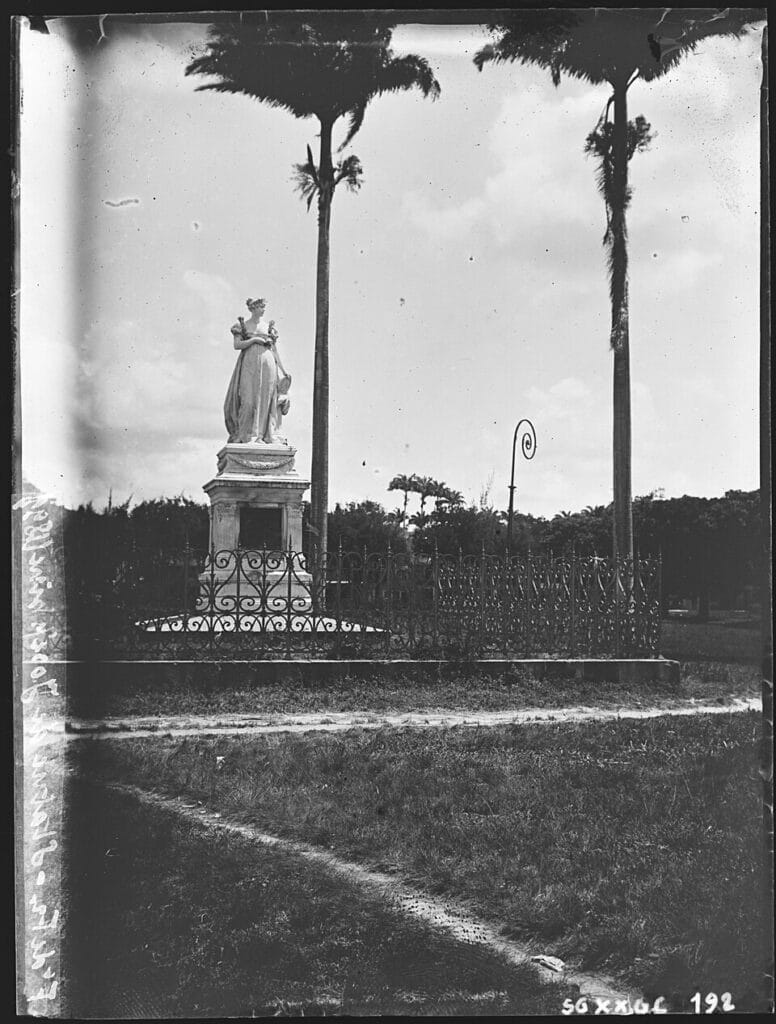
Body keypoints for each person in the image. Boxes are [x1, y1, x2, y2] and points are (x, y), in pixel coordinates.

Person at [223, 297, 291, 444]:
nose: (263, 310)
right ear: (253, 309)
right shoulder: (242, 325)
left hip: (268, 364)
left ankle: (263, 435)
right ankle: (247, 435)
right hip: (249, 363)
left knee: (266, 399)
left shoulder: (268, 327)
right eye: (261, 307)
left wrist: (283, 370)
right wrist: (254, 340)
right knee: (248, 400)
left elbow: (274, 350)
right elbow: (237, 345)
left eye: (264, 307)